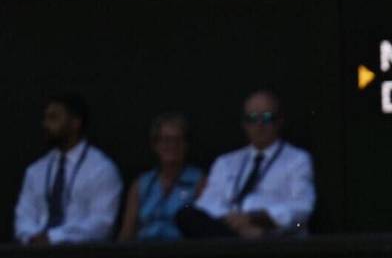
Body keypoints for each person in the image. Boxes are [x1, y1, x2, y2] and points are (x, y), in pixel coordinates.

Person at [176, 90, 314, 239]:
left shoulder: (297, 160)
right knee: (187, 214)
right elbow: (207, 204)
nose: (259, 125)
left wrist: (253, 218)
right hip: (228, 232)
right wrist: (235, 220)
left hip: (272, 237)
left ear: (279, 122)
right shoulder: (226, 162)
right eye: (252, 119)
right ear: (244, 124)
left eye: (267, 118)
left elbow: (302, 208)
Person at [13, 94, 123, 246]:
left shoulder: (101, 169)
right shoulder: (35, 171)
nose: (46, 124)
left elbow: (102, 223)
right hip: (33, 254)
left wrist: (53, 238)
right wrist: (32, 238)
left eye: (54, 118)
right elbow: (23, 216)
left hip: (80, 255)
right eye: (45, 118)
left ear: (75, 123)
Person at [117, 113, 203, 242]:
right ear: (155, 145)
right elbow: (127, 233)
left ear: (186, 145)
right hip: (144, 250)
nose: (172, 145)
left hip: (181, 250)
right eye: (166, 140)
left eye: (177, 140)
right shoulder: (141, 184)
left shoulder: (199, 182)